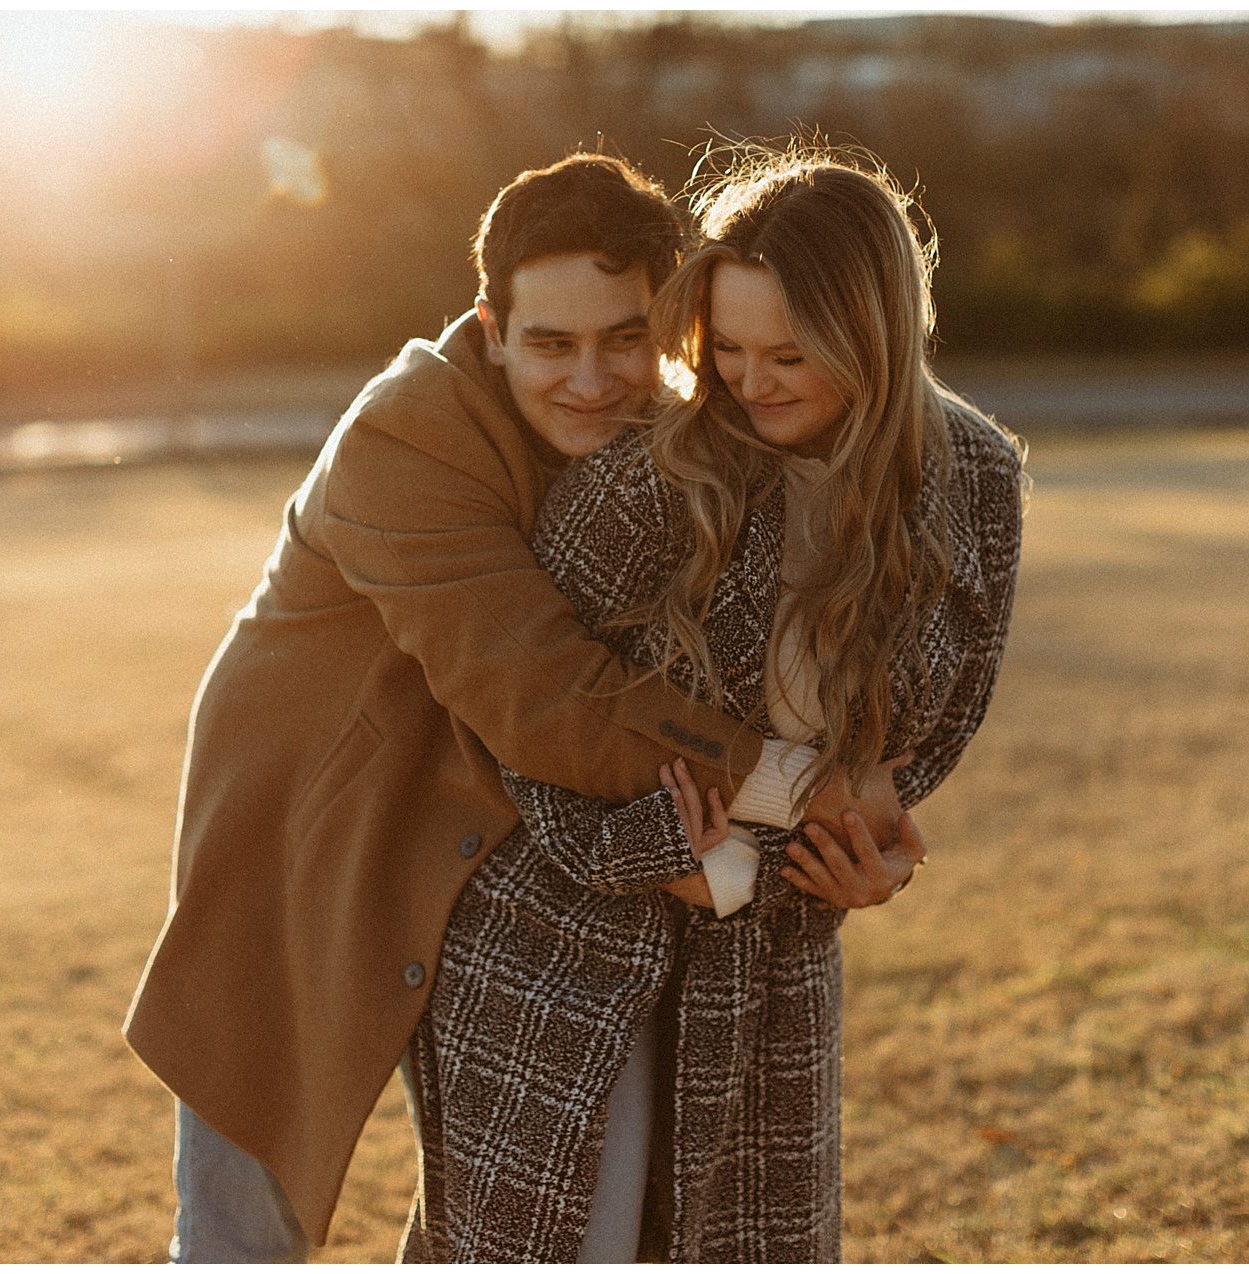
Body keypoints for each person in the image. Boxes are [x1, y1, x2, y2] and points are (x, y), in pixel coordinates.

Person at [122, 153, 911, 1262]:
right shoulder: (405, 437)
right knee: (244, 1230)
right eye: (551, 343)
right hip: (315, 842)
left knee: (563, 1202)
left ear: (670, 327)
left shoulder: (672, 442)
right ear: (492, 328)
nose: (590, 379)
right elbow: (549, 697)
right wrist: (806, 790)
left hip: (516, 847)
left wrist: (843, 836)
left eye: (623, 339)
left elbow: (712, 669)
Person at [397, 145, 1026, 1262]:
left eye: (790, 352)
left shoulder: (972, 477)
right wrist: (672, 847)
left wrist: (865, 835)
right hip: (564, 932)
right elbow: (519, 714)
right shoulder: (659, 471)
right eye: (725, 348)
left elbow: (944, 712)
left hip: (771, 958)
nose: (751, 380)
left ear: (875, 333)